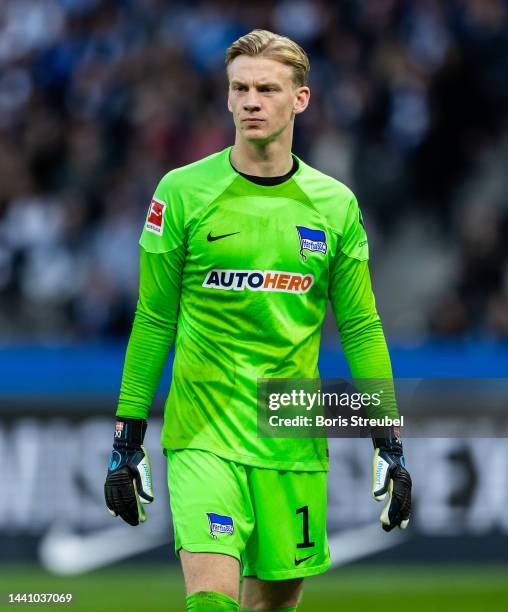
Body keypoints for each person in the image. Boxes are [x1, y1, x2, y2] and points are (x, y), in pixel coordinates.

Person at [104, 29, 411, 612]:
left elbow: (362, 328)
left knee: (270, 605)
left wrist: (388, 441)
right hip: (202, 431)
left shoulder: (335, 205)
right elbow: (152, 319)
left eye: (266, 89)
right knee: (213, 598)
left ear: (300, 100)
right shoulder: (183, 192)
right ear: (226, 98)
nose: (250, 101)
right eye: (239, 88)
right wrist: (127, 435)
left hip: (289, 432)